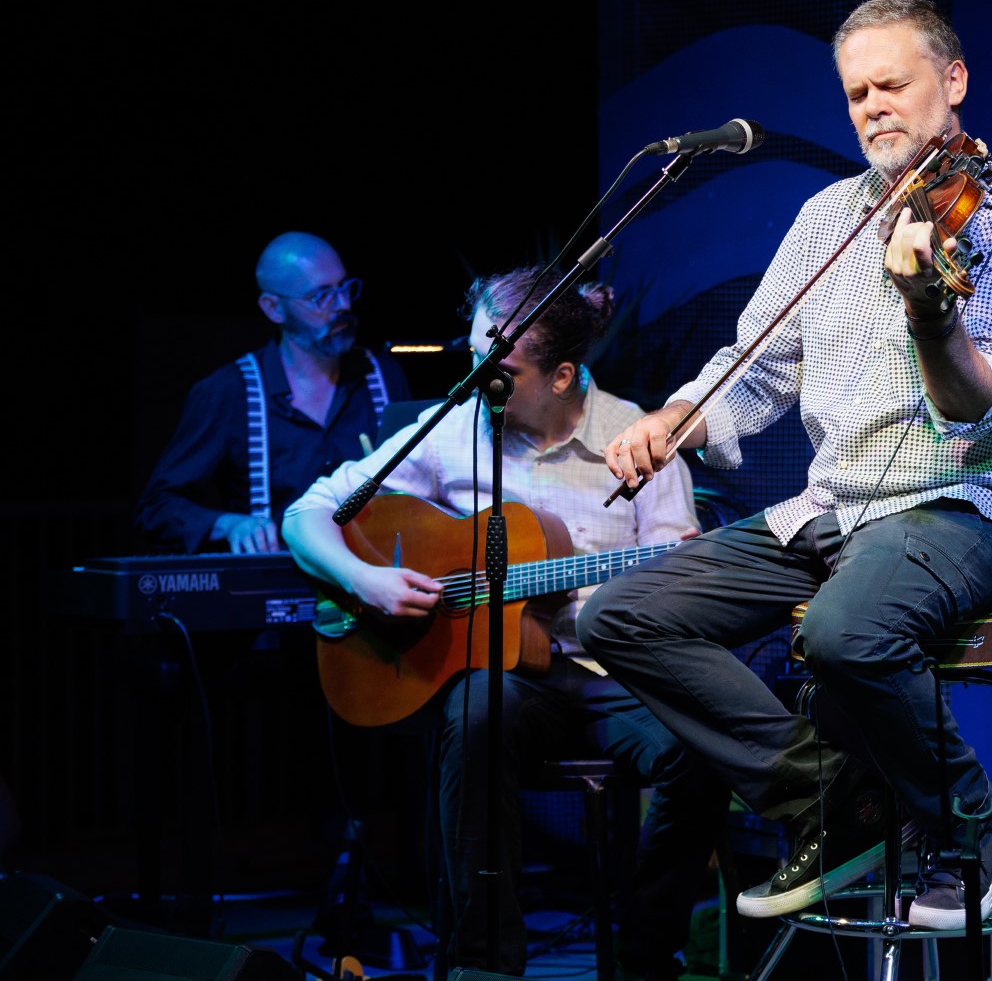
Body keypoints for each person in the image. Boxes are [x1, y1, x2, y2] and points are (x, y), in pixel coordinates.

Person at [577, 0, 992, 931]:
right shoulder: (827, 216)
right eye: (856, 94)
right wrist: (678, 418)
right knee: (621, 615)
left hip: (966, 508)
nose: (873, 106)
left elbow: (979, 402)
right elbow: (755, 363)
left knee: (844, 632)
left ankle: (975, 827)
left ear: (953, 80)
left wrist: (930, 310)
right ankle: (831, 801)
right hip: (832, 509)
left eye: (893, 84)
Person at [284, 267, 727, 980]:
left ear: (561, 376)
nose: (475, 379)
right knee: (476, 710)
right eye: (473, 356)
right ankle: (483, 964)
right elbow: (308, 513)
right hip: (515, 680)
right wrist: (367, 579)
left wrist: (643, 592)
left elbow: (684, 588)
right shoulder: (455, 429)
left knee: (702, 751)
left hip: (617, 678)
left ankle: (648, 955)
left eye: (500, 369)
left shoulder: (640, 438)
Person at [136, 231, 410, 554]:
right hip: (278, 576)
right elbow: (157, 506)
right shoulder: (230, 392)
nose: (344, 305)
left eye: (345, 288)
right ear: (273, 308)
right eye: (321, 296)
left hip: (374, 573)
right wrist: (229, 524)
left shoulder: (381, 376)